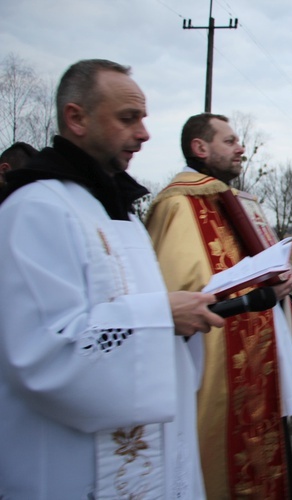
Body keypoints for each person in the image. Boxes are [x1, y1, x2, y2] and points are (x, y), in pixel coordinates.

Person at [0, 59, 224, 499]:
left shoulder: (115, 212)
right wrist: (162, 316)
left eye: (142, 118)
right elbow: (38, 355)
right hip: (73, 465)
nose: (144, 133)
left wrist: (179, 317)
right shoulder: (34, 209)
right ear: (76, 118)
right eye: (128, 118)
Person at [146, 113, 292, 499]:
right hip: (215, 367)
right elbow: (180, 291)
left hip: (259, 363)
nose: (241, 149)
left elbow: (254, 268)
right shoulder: (178, 205)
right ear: (200, 148)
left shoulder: (231, 202)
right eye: (230, 141)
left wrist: (282, 280)